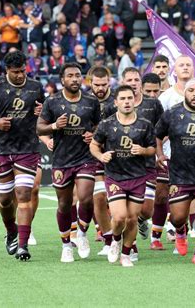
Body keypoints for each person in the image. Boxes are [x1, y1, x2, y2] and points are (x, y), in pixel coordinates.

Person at [0, 50, 45, 261]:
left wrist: (42, 113)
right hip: (1, 150)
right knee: (4, 200)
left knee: (23, 195)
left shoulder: (35, 87)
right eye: (16, 72)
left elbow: (44, 111)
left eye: (23, 71)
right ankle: (11, 232)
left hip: (27, 150)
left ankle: (23, 245)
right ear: (6, 71)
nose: (20, 75)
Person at [36, 62, 101, 263]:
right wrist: (55, 125)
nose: (75, 79)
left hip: (85, 158)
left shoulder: (91, 101)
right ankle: (66, 245)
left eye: (78, 75)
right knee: (64, 205)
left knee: (86, 197)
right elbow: (40, 128)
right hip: (62, 160)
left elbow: (100, 125)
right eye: (70, 76)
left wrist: (94, 135)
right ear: (62, 80)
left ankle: (81, 234)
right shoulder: (52, 102)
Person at [90, 85, 156, 267]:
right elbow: (94, 145)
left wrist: (143, 150)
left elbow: (152, 149)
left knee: (132, 218)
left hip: (138, 177)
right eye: (123, 99)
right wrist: (101, 156)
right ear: (116, 102)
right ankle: (115, 239)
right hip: (115, 176)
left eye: (129, 98)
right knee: (119, 217)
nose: (127, 102)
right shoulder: (107, 124)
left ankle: (126, 254)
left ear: (134, 101)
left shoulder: (145, 125)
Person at [155, 78, 195, 264]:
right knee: (177, 217)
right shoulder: (172, 113)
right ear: (185, 92)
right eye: (191, 90)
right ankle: (181, 232)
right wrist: (159, 155)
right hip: (180, 174)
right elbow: (158, 136)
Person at [89, 66, 115, 256]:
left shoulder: (118, 100)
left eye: (103, 84)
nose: (100, 88)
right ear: (90, 82)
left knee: (117, 200)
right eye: (96, 84)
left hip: (118, 156)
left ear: (109, 81)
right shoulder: (84, 101)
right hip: (92, 155)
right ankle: (108, 240)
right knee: (98, 198)